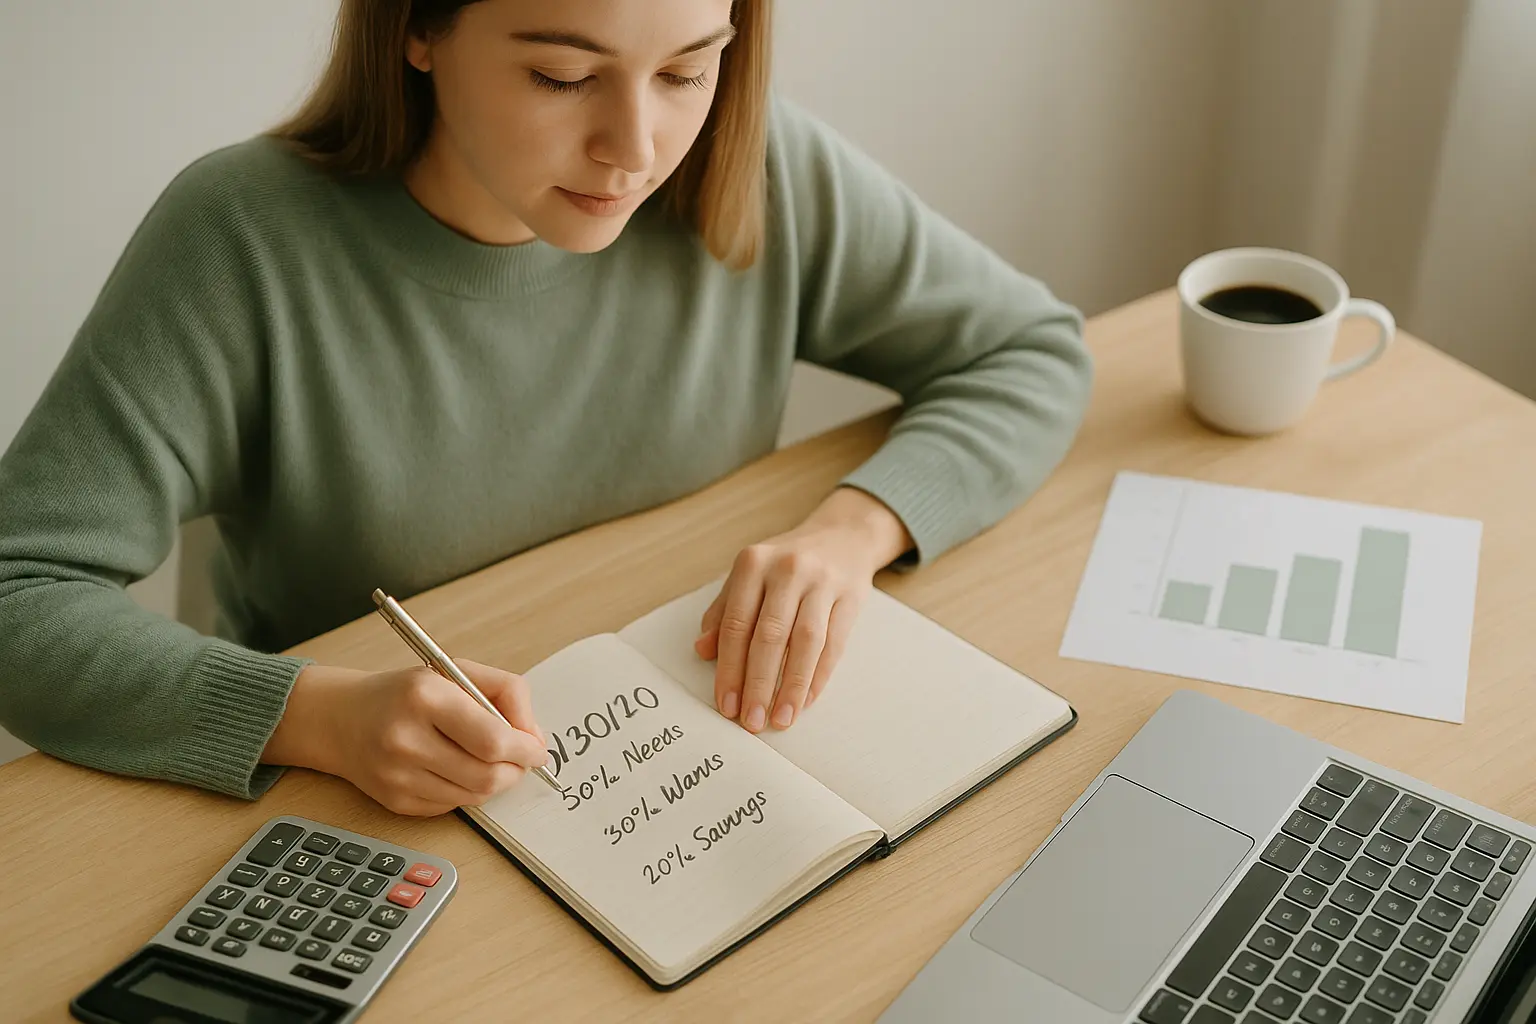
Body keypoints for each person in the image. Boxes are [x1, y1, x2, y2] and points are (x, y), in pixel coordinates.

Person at [0, 0, 1092, 817]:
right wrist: (315, 715)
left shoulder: (755, 162)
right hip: (364, 815)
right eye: (564, 76)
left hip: (691, 778)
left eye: (688, 68)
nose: (637, 147)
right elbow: (20, 591)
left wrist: (853, 533)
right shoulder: (242, 238)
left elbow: (1029, 348)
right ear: (418, 30)